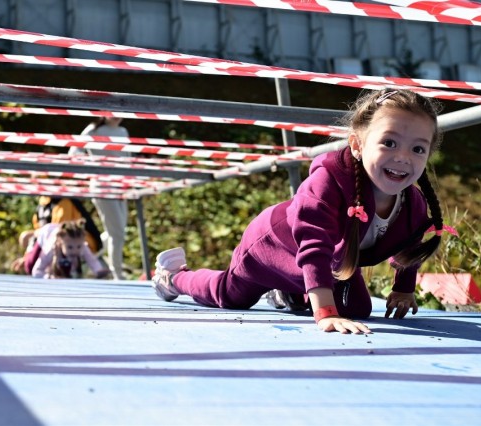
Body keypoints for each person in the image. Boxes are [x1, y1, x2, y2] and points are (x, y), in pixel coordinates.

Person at [152, 88, 448, 334]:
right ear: (357, 145)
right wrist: (325, 313)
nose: (403, 158)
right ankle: (173, 276)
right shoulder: (328, 181)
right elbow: (314, 247)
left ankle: (291, 292)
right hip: (270, 247)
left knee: (359, 309)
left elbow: (410, 245)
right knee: (229, 296)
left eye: (418, 149)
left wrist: (404, 289)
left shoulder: (414, 205)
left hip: (327, 264)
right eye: (389, 142)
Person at [70, 116, 130, 280]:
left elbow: (128, 159)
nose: (118, 116)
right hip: (102, 186)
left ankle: (85, 253)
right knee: (117, 234)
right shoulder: (93, 130)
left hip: (121, 187)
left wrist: (129, 181)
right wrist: (93, 167)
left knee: (117, 232)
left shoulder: (123, 131)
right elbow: (74, 152)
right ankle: (118, 274)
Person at [31, 219, 110, 279]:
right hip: (45, 234)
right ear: (60, 242)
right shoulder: (50, 248)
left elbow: (92, 261)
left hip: (59, 247)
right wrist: (47, 276)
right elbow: (36, 271)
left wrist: (98, 271)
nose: (75, 251)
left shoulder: (82, 245)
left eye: (78, 247)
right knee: (29, 265)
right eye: (70, 247)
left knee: (66, 272)